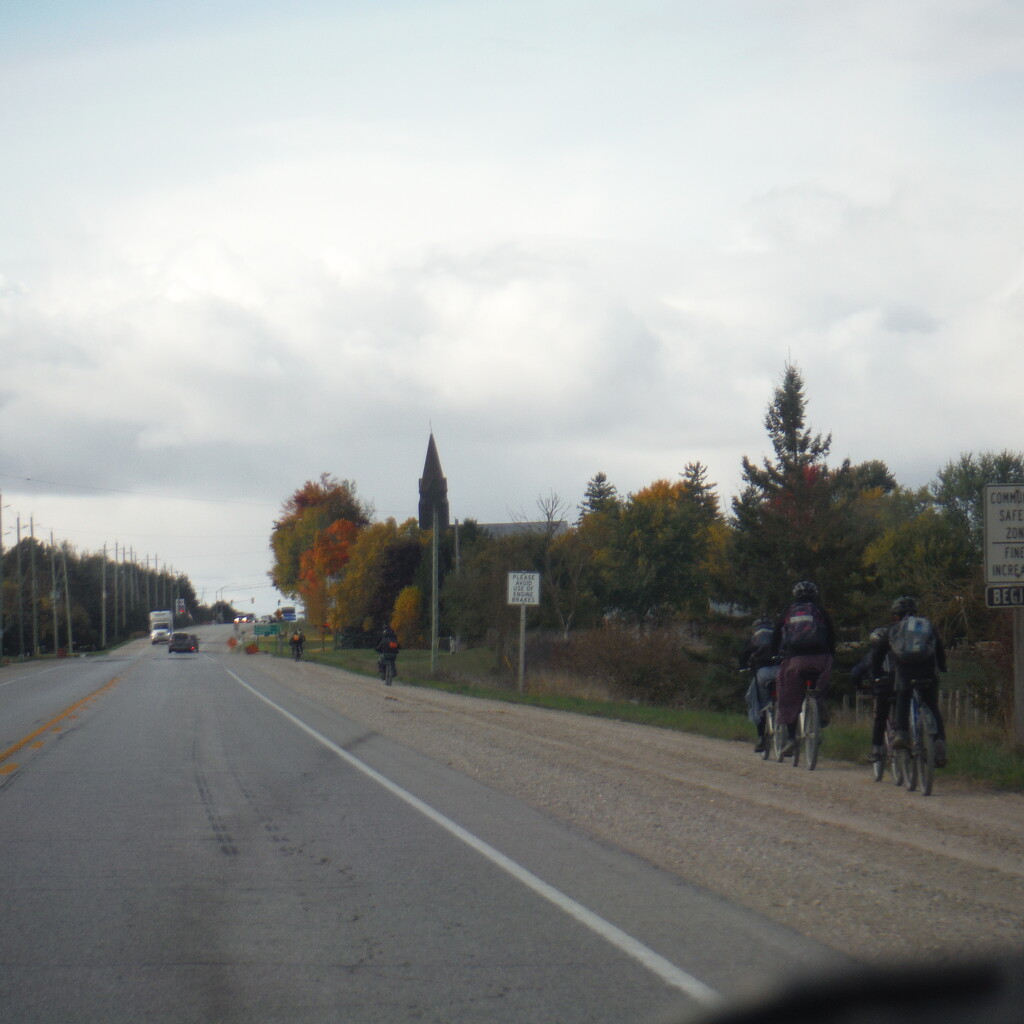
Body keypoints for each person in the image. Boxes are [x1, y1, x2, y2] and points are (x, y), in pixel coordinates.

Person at [871, 596, 948, 767]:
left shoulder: (894, 628)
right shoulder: (926, 626)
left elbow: (878, 654)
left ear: (896, 615)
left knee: (902, 698)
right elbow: (939, 648)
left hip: (905, 671)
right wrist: (942, 667)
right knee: (931, 704)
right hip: (927, 670)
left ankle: (901, 734)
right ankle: (939, 742)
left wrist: (876, 672)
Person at [771, 581, 836, 757]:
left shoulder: (788, 611)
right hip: (820, 659)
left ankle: (791, 739)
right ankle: (819, 706)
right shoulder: (820, 611)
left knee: (789, 697)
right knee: (821, 686)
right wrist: (831, 654)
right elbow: (831, 634)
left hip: (795, 660)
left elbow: (776, 635)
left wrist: (775, 654)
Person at [851, 627, 895, 764]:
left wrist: (859, 686)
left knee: (880, 717)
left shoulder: (871, 656)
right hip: (899, 686)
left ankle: (877, 749)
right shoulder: (897, 652)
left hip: (881, 688)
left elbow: (855, 673)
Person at [739, 616, 778, 753]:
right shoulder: (778, 635)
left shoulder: (754, 638)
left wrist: (742, 668)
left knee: (759, 703)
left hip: (763, 674)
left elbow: (743, 654)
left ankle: (761, 738)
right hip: (781, 673)